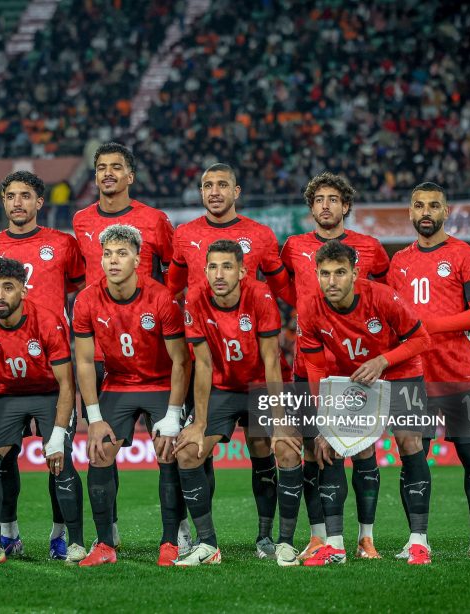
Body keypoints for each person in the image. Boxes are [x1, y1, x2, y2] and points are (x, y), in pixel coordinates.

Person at [167, 163, 292, 560]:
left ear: (236, 190)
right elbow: (170, 293)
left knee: (266, 447)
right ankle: (206, 543)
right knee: (189, 450)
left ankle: (267, 538)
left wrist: (280, 415)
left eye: (222, 185)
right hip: (216, 377)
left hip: (258, 382)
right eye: (207, 185)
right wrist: (199, 420)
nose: (215, 191)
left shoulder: (260, 243)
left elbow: (273, 359)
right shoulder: (184, 238)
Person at [0, 170, 85, 560]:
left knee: (59, 459)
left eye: (26, 196)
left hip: (53, 373)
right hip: (6, 378)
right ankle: (8, 534)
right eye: (11, 196)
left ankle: (59, 536)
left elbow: (82, 295)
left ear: (39, 203)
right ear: (3, 201)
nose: (18, 202)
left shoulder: (63, 245)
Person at [294, 240, 433, 566]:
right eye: (325, 273)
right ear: (316, 274)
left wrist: (383, 360)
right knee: (331, 447)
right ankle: (336, 546)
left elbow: (421, 338)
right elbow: (314, 367)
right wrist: (323, 422)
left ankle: (419, 542)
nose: (332, 281)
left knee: (410, 442)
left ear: (355, 273)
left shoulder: (380, 297)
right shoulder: (310, 308)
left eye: (340, 273)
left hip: (400, 374)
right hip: (354, 380)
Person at [72, 142, 182, 550]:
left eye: (116, 167)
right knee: (101, 445)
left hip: (150, 346)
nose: (107, 174)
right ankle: (108, 531)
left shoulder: (154, 220)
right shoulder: (81, 220)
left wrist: (155, 310)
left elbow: (173, 270)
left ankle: (180, 532)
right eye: (101, 168)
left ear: (130, 176)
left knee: (174, 448)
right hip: (102, 351)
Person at [279, 171, 390, 560]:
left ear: (346, 206)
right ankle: (319, 535)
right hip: (309, 367)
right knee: (315, 449)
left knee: (362, 451)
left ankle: (365, 537)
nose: (325, 205)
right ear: (310, 207)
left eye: (333, 199)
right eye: (319, 199)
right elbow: (286, 290)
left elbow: (382, 298)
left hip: (357, 371)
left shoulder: (371, 248)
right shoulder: (293, 247)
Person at [387, 182, 470, 559]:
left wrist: (427, 326)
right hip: (411, 376)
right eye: (419, 205)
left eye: (434, 205)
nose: (426, 212)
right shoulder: (399, 261)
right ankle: (417, 540)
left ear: (446, 211)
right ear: (410, 212)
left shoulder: (467, 255)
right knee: (412, 458)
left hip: (456, 374)